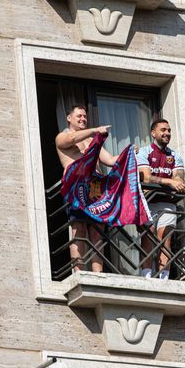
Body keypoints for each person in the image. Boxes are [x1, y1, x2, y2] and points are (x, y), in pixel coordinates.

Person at [55, 105, 115, 272]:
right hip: (76, 187)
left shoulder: (90, 141)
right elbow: (71, 139)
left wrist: (128, 155)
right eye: (79, 116)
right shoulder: (62, 136)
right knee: (79, 228)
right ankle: (79, 272)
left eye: (84, 116)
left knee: (97, 231)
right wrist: (95, 130)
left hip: (94, 188)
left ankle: (98, 274)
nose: (83, 119)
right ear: (69, 118)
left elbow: (110, 160)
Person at [137, 119, 185, 280]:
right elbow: (145, 177)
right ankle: (146, 275)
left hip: (167, 202)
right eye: (163, 130)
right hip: (147, 201)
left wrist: (175, 181)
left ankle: (164, 276)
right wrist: (169, 181)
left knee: (165, 238)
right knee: (148, 236)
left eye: (169, 131)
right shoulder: (144, 152)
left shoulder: (174, 155)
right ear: (153, 133)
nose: (167, 133)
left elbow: (179, 179)